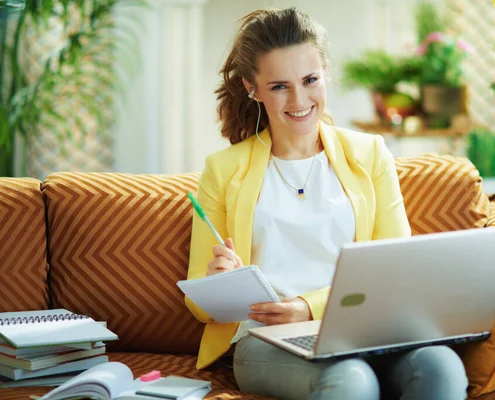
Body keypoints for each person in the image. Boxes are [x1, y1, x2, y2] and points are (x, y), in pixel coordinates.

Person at [185, 7, 468, 400]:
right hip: (268, 339)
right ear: (253, 88)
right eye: (280, 86)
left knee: (440, 367)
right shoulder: (223, 169)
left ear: (325, 72)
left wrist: (310, 306)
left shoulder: (369, 154)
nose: (299, 100)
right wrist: (218, 284)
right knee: (352, 379)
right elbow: (200, 305)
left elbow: (396, 272)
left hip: (366, 329)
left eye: (310, 80)